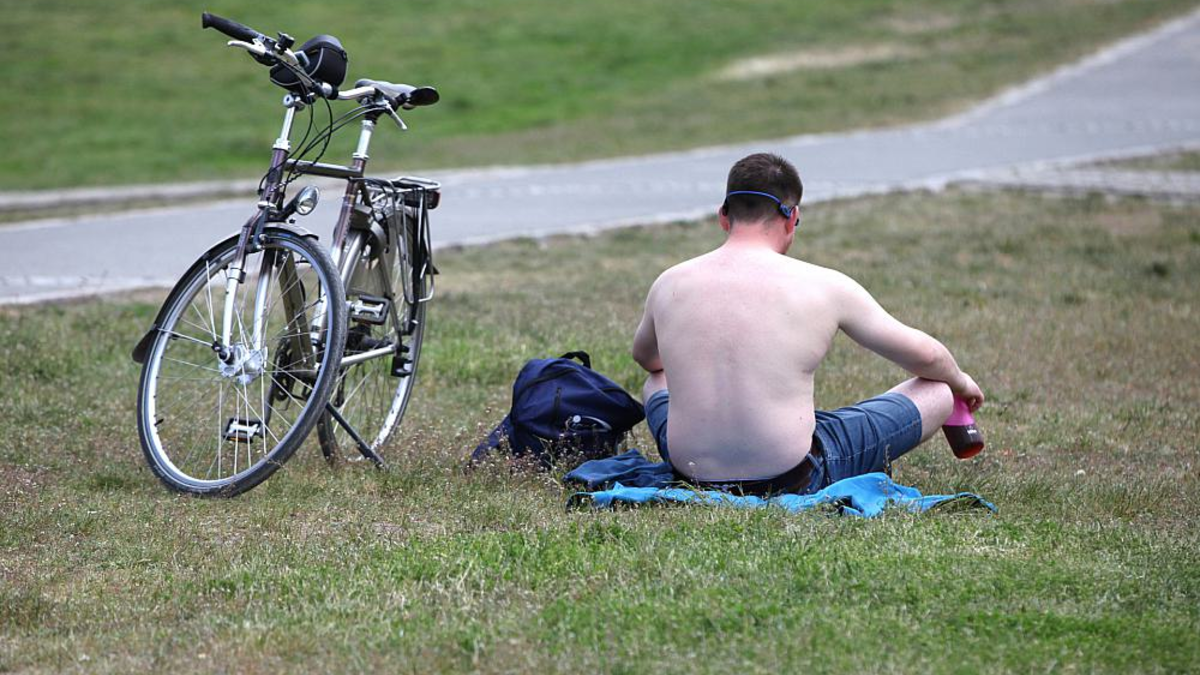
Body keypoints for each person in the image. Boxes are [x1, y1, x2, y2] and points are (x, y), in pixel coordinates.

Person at [631, 152, 984, 496]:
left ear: (724, 217)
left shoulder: (669, 282)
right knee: (938, 391)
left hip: (690, 473)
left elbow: (647, 359)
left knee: (656, 380)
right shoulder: (824, 284)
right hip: (793, 476)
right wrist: (960, 382)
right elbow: (927, 356)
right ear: (791, 218)